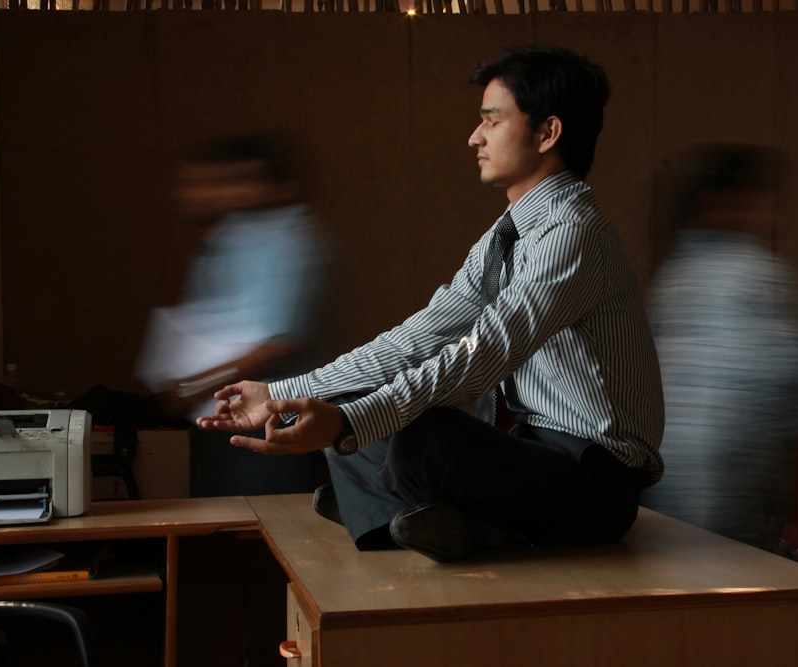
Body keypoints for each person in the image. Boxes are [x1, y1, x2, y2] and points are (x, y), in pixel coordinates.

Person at [197, 46, 664, 562]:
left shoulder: (573, 235)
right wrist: (280, 393)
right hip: (533, 458)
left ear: (547, 132)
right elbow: (415, 338)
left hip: (593, 483)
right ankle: (415, 515)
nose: (475, 137)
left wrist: (352, 425)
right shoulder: (504, 237)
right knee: (358, 408)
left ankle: (403, 508)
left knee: (415, 433)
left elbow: (481, 356)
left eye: (492, 121)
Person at [640, 143, 798, 551]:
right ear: (722, 203)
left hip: (666, 473)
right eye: (763, 201)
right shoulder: (755, 271)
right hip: (727, 477)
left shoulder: (673, 276)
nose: (773, 214)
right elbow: (793, 381)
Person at [136, 132, 335, 494]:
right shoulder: (230, 237)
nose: (192, 194)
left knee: (267, 529)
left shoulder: (290, 241)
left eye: (216, 182)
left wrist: (192, 386)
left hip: (267, 422)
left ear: (265, 183)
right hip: (220, 418)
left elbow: (277, 344)